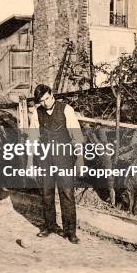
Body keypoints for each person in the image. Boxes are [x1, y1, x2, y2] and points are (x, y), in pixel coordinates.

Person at [29, 84, 84, 244]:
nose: (46, 103)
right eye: (42, 101)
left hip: (64, 158)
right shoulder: (36, 114)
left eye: (47, 98)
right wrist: (31, 162)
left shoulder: (66, 110)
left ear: (52, 94)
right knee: (46, 193)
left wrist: (80, 158)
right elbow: (32, 139)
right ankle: (49, 226)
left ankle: (70, 231)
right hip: (44, 158)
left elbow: (76, 135)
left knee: (66, 193)